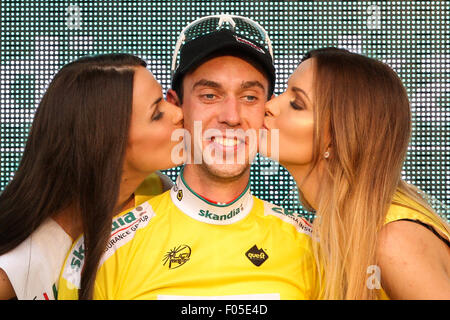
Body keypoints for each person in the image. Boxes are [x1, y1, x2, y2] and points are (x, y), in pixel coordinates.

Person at [57, 15, 319, 300]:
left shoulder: (315, 249)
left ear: (267, 111)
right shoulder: (101, 253)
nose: (231, 117)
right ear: (176, 106)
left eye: (249, 97)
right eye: (209, 95)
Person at [263, 47, 450, 299]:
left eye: (297, 104)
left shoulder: (392, 241)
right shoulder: (338, 227)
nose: (270, 104)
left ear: (337, 140)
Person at [0, 53, 183, 300]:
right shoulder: (18, 265)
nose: (178, 113)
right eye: (157, 113)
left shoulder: (159, 189)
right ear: (107, 143)